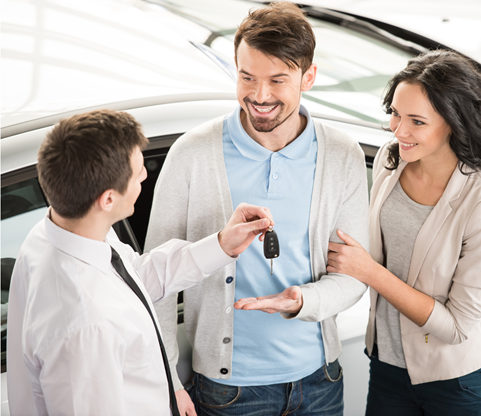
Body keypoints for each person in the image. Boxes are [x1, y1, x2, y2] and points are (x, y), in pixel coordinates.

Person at [144, 2, 369, 415]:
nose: (259, 96)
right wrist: (168, 380)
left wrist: (300, 301)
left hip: (319, 382)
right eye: (247, 77)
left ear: (309, 77)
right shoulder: (192, 155)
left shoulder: (342, 155)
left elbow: (354, 276)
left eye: (277, 80)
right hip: (226, 393)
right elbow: (155, 279)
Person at [6, 109, 274, 416]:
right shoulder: (84, 325)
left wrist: (221, 244)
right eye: (137, 172)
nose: (146, 175)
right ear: (107, 200)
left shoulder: (60, 231)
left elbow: (135, 276)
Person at [327, 50, 481, 416]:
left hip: (457, 386)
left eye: (417, 121)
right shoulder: (390, 158)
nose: (400, 131)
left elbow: (458, 326)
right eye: (395, 114)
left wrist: (370, 273)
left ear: (452, 122)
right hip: (387, 368)